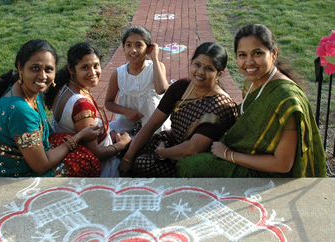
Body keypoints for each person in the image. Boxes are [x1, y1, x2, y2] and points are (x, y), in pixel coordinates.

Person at [177, 24, 326, 178]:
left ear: (274, 53)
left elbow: (283, 164)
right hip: (246, 154)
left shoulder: (286, 99)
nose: (249, 62)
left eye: (257, 53)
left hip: (271, 174)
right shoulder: (253, 82)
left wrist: (228, 154)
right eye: (242, 55)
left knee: (188, 166)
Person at [0, 39, 101, 178]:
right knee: (84, 161)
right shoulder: (20, 110)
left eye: (49, 69)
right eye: (35, 68)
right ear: (20, 67)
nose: (43, 76)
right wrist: (78, 136)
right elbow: (41, 166)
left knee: (70, 144)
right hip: (2, 177)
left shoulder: (25, 88)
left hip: (6, 160)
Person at [119, 42, 238, 177]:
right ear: (191, 63)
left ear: (219, 74)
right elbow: (152, 123)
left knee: (143, 164)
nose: (200, 72)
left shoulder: (220, 105)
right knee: (130, 150)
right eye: (197, 64)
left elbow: (194, 148)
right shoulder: (181, 86)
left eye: (209, 68)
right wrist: (128, 157)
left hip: (193, 160)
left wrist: (161, 152)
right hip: (171, 142)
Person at [44, 42, 131, 177]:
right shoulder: (81, 104)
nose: (92, 72)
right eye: (85, 67)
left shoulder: (64, 88)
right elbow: (96, 153)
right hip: (103, 170)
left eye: (96, 65)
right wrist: (121, 145)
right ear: (71, 69)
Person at [105, 26, 171, 136]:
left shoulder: (156, 67)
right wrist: (126, 111)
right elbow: (108, 103)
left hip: (155, 127)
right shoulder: (119, 74)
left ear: (149, 49)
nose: (133, 50)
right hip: (127, 127)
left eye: (139, 45)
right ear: (124, 48)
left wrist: (154, 58)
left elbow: (161, 89)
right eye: (128, 45)